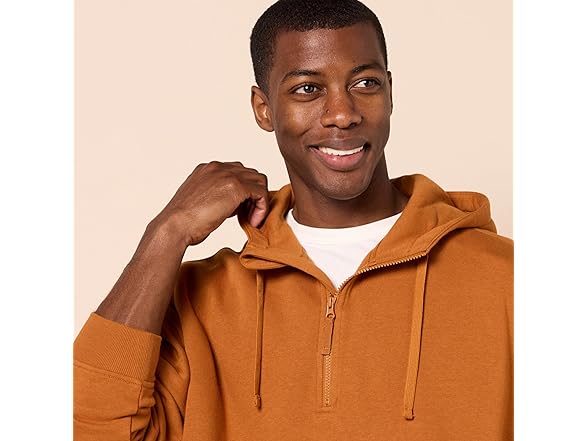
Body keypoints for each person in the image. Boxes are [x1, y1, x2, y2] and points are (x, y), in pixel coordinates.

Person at [74, 0, 513, 439]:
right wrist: (166, 232)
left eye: (365, 83)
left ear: (391, 92)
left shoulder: (508, 278)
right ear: (263, 109)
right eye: (308, 89)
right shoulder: (198, 302)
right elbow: (88, 428)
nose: (342, 114)